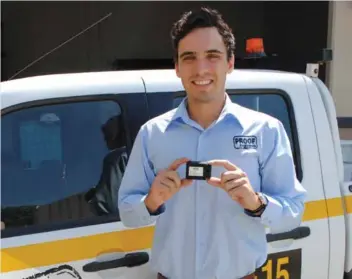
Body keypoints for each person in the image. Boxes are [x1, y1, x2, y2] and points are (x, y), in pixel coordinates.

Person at [118, 7, 307, 279]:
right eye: (189, 57)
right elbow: (127, 213)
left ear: (230, 62)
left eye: (212, 56)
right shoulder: (153, 133)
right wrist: (151, 201)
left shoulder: (266, 131)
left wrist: (256, 203)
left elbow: (294, 212)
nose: (201, 68)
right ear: (177, 67)